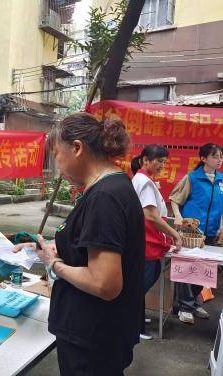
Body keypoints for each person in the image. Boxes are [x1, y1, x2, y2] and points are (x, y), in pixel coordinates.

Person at [14, 112, 144, 376]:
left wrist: (54, 265)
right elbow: (90, 248)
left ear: (77, 148)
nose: (58, 165)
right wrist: (45, 248)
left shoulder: (104, 198)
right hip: (102, 333)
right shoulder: (110, 187)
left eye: (57, 155)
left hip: (93, 336)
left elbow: (104, 283)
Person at [130, 145, 181, 340]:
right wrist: (174, 234)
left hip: (147, 242)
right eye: (159, 161)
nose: (162, 165)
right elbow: (151, 216)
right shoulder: (144, 181)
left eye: (164, 162)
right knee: (139, 287)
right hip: (148, 243)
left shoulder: (143, 179)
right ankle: (134, 326)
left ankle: (137, 319)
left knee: (139, 285)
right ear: (145, 160)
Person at [169, 143, 223, 324]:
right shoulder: (192, 178)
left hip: (211, 233)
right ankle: (184, 306)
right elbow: (175, 199)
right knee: (186, 268)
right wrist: (177, 216)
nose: (219, 160)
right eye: (215, 157)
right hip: (189, 233)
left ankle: (192, 303)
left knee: (205, 269)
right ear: (203, 159)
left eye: (221, 157)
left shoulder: (221, 181)